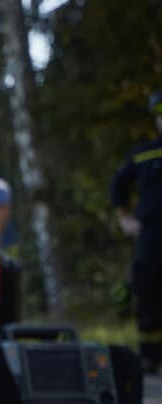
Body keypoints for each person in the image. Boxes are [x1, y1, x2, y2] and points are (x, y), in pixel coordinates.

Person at [111, 90, 162, 375]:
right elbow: (118, 184)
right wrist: (123, 217)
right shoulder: (144, 152)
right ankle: (151, 356)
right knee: (148, 287)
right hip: (152, 233)